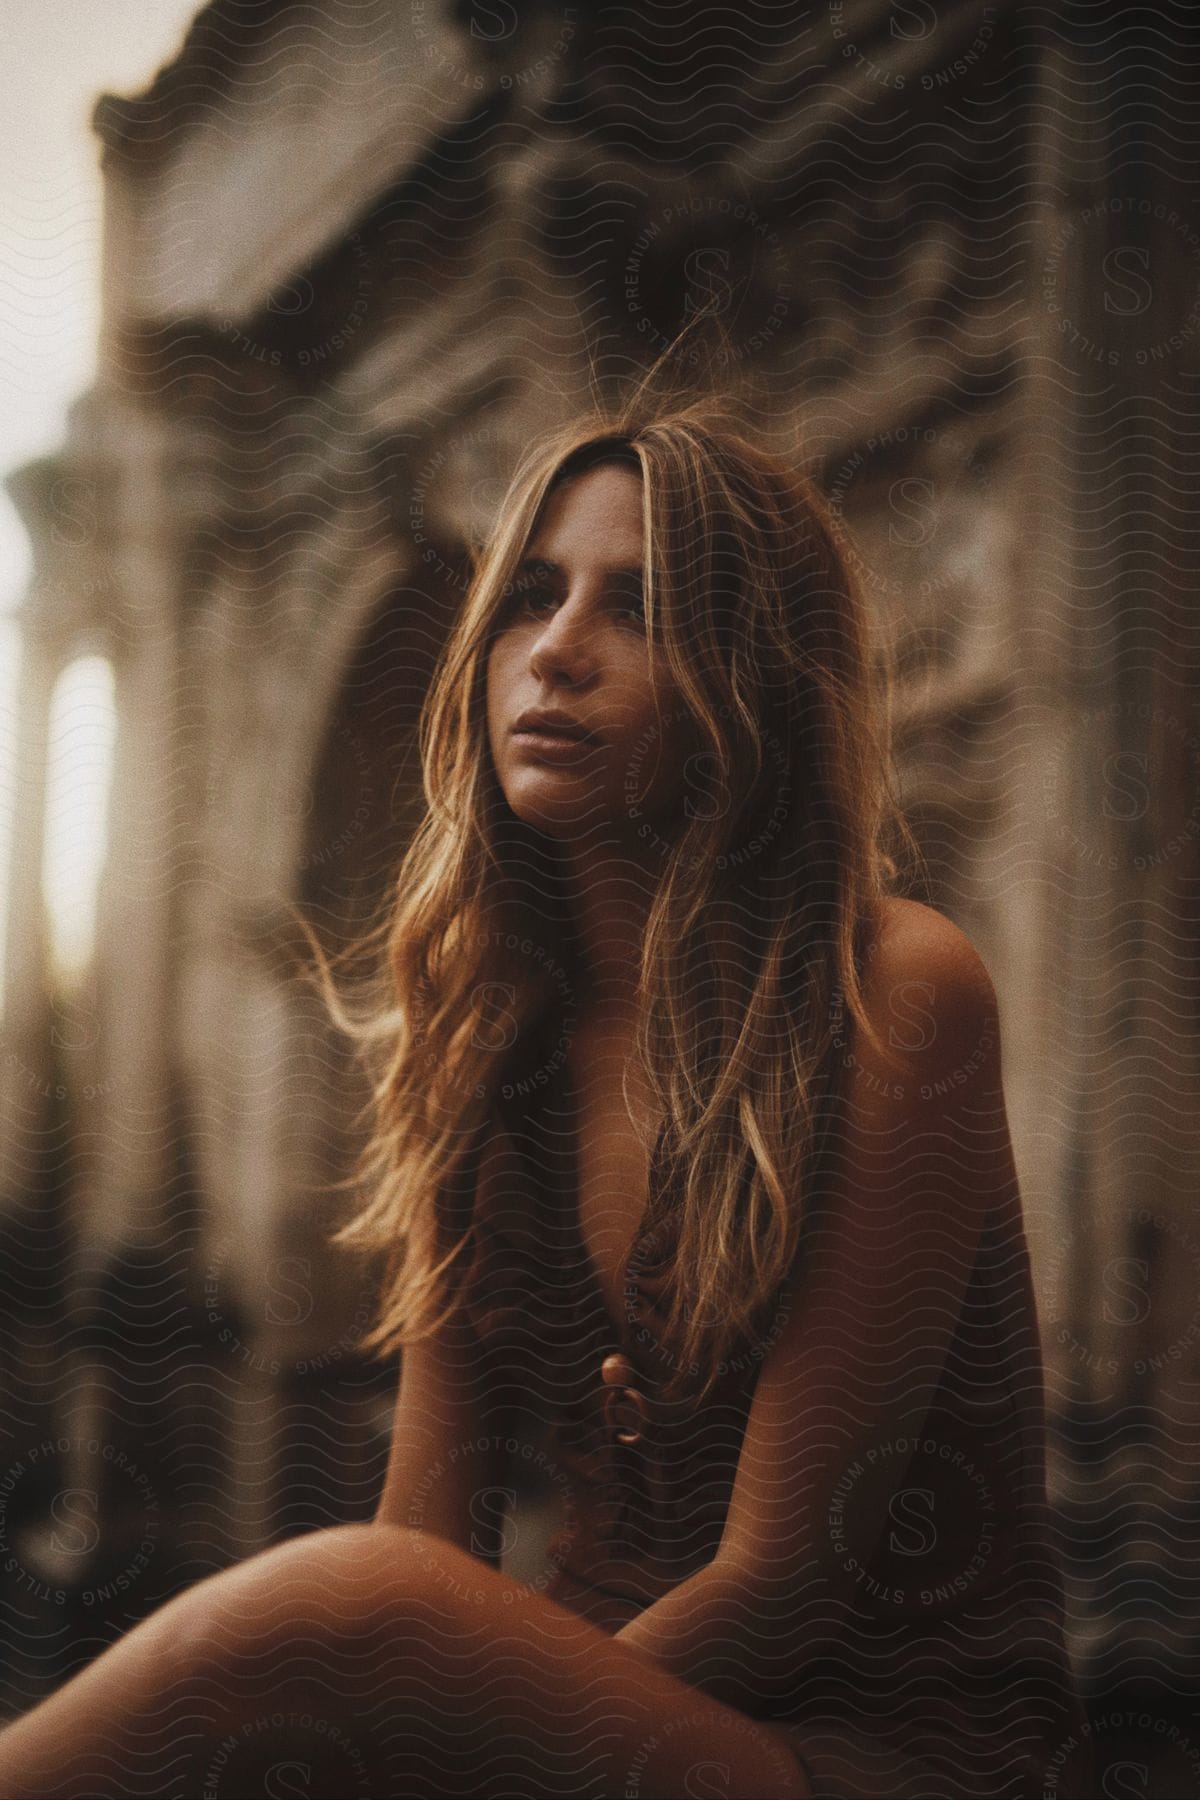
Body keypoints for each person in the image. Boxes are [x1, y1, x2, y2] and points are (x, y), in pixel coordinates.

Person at [0, 398, 1094, 1799]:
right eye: (530, 597)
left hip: (871, 1752)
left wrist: (441, 1729)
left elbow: (782, 1584)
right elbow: (429, 1537)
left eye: (637, 608)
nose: (558, 649)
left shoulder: (897, 987)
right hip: (587, 1716)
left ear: (748, 675)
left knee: (337, 1614)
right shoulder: (486, 1029)